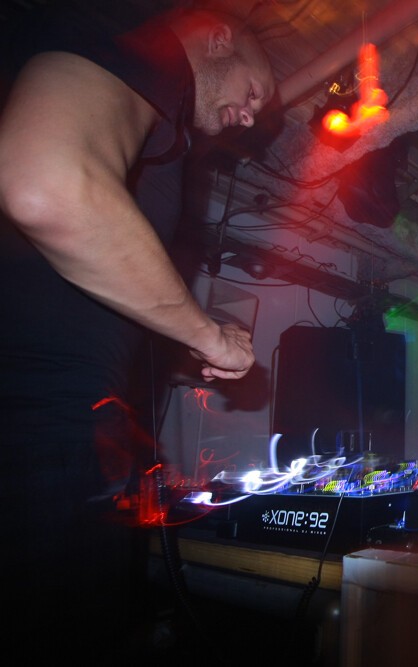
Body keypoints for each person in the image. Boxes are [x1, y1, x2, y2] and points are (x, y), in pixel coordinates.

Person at [0, 4, 274, 658]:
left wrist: (179, 346)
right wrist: (206, 333)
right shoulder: (145, 53)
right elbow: (45, 184)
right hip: (37, 433)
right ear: (218, 39)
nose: (250, 117)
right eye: (253, 94)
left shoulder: (157, 115)